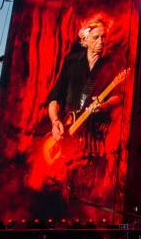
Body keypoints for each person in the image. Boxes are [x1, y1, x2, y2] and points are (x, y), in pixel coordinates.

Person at [46, 16, 124, 201]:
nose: (101, 41)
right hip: (68, 128)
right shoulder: (72, 62)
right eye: (96, 37)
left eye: (104, 37)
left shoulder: (111, 63)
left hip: (95, 136)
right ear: (84, 40)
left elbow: (120, 96)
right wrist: (55, 121)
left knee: (91, 188)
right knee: (59, 187)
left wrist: (104, 105)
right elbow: (55, 97)